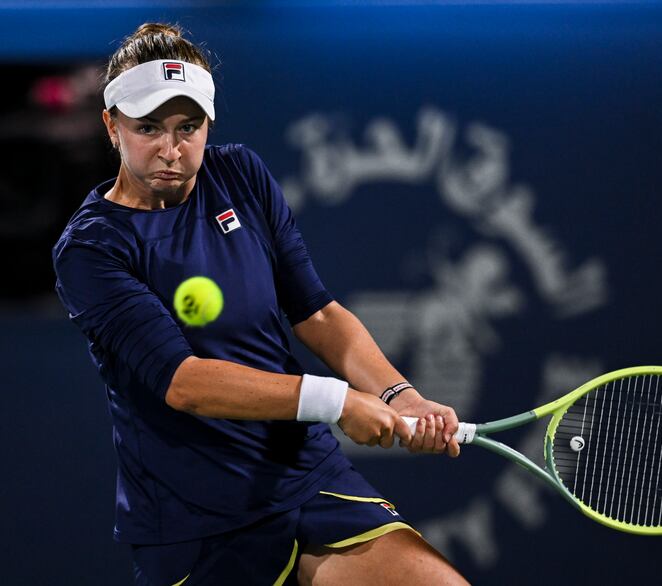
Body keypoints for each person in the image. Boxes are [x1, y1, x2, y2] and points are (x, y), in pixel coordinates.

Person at [53, 23, 469, 586]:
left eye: (188, 127)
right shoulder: (90, 249)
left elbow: (317, 314)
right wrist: (339, 400)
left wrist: (401, 394)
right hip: (194, 521)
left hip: (305, 476)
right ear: (111, 124)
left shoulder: (240, 175)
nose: (170, 150)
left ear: (210, 123)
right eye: (147, 127)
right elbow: (186, 383)